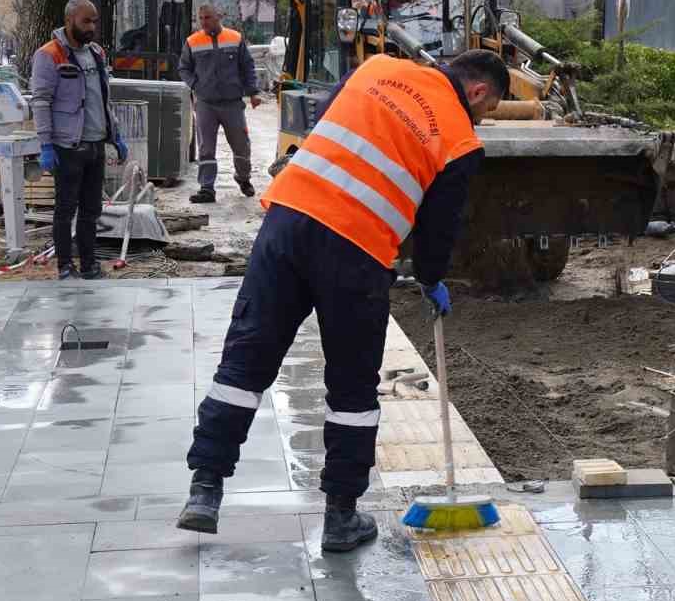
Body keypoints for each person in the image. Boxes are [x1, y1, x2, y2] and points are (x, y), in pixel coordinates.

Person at [175, 49, 507, 551]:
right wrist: (431, 280)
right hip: (357, 251)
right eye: (490, 108)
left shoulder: (376, 68)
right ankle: (340, 516)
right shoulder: (460, 139)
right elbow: (439, 227)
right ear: (478, 91)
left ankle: (205, 490)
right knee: (352, 389)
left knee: (245, 363)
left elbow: (326, 122)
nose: (482, 119)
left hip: (288, 222)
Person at [30, 0, 127, 280]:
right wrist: (46, 143)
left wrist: (115, 134)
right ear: (70, 19)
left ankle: (88, 264)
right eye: (87, 21)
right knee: (65, 209)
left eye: (95, 21)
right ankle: (64, 266)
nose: (92, 27)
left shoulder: (95, 53)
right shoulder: (49, 55)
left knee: (91, 211)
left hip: (95, 145)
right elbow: (41, 101)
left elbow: (103, 99)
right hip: (68, 147)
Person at [179, 4, 261, 203]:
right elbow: (184, 68)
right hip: (206, 103)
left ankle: (243, 178)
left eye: (208, 17)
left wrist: (253, 92)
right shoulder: (193, 41)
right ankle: (207, 188)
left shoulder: (235, 38)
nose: (204, 22)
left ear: (219, 16)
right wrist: (196, 85)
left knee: (241, 145)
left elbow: (247, 67)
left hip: (232, 103)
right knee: (206, 147)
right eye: (201, 18)